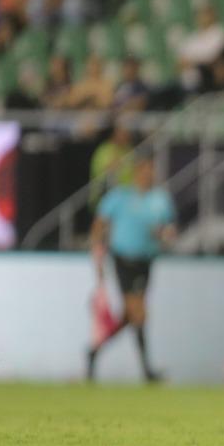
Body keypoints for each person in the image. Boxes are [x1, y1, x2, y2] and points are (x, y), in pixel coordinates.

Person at [89, 157, 176, 383]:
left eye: (151, 171)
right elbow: (100, 225)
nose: (148, 175)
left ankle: (94, 352)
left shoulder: (160, 200)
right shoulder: (120, 197)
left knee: (130, 317)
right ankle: (147, 371)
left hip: (146, 261)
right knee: (139, 313)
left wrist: (166, 234)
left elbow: (168, 228)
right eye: (145, 170)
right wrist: (97, 256)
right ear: (136, 172)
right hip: (123, 260)